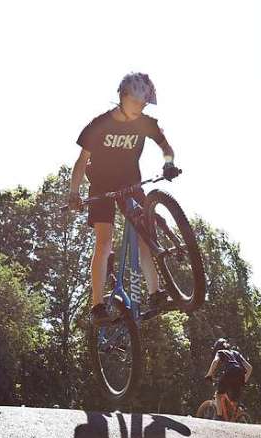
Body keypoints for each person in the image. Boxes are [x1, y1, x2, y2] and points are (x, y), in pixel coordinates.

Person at [68, 72, 181, 326]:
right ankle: (97, 306)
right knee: (104, 241)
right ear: (123, 96)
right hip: (101, 186)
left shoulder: (146, 123)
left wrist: (169, 164)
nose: (141, 107)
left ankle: (156, 294)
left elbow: (166, 148)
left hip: (131, 183)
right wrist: (74, 193)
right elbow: (81, 161)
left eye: (144, 104)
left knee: (145, 236)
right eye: (138, 102)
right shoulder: (99, 124)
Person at [205, 339, 252, 421]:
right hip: (240, 374)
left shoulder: (220, 352)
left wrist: (209, 374)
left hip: (229, 372)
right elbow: (249, 368)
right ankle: (238, 416)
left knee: (218, 395)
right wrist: (244, 380)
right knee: (234, 401)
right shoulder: (236, 353)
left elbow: (215, 361)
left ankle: (219, 417)